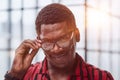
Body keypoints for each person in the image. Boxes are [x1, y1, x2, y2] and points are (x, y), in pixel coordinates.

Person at [4, 3, 114, 80]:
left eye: (63, 38)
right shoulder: (24, 76)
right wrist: (14, 75)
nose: (56, 49)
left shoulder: (101, 77)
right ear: (39, 42)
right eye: (47, 41)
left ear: (77, 35)